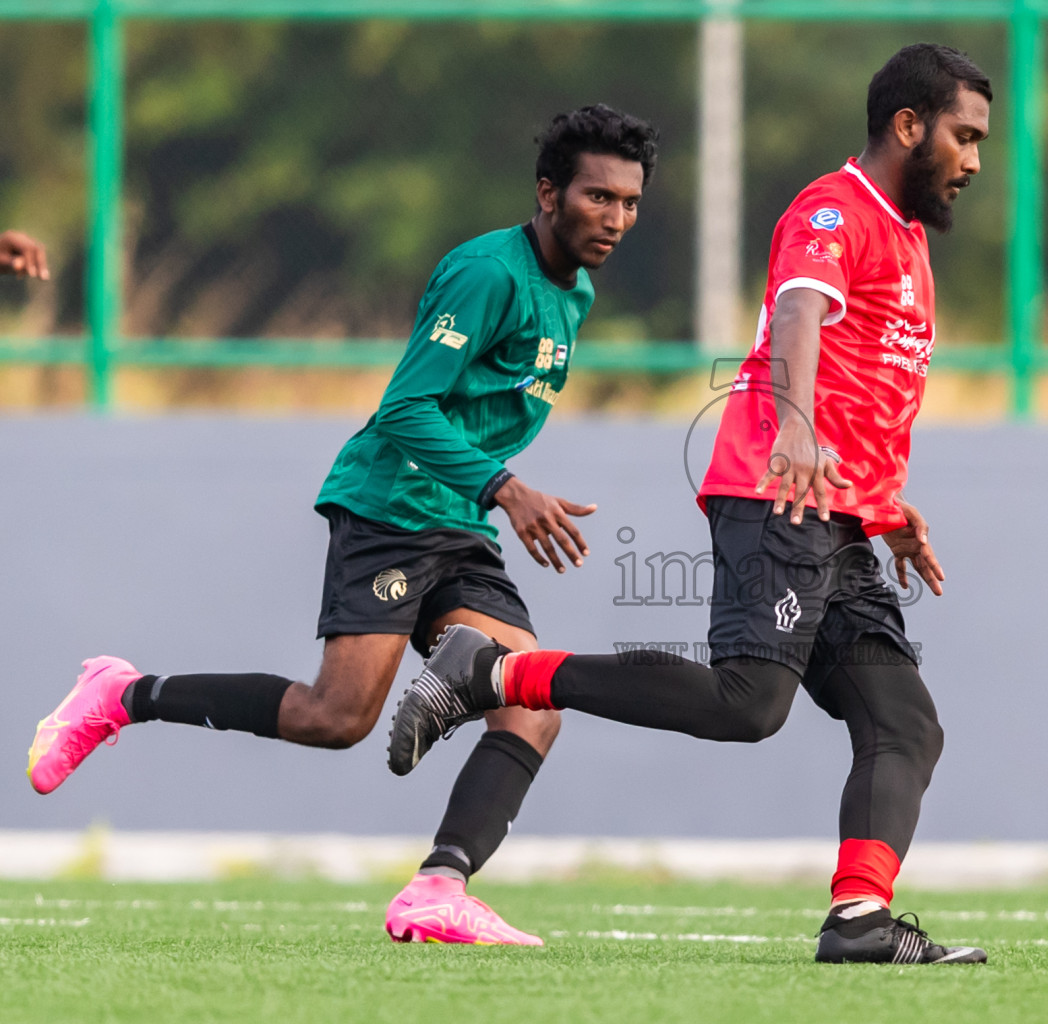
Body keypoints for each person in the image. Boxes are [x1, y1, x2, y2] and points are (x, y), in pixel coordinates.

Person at [389, 44, 992, 965]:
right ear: (910, 127)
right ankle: (497, 676)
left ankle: (859, 920)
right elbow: (797, 314)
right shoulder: (836, 210)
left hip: (838, 516)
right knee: (750, 704)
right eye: (964, 135)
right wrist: (791, 421)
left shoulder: (907, 239)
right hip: (773, 492)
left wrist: (886, 504)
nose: (975, 159)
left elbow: (867, 383)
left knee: (904, 720)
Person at [25, 105, 658, 946]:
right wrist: (505, 486)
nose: (615, 218)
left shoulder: (572, 289)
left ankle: (439, 886)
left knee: (533, 702)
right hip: (394, 508)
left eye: (629, 202)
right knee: (338, 717)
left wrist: (490, 494)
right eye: (597, 197)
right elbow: (404, 408)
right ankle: (124, 695)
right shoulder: (487, 275)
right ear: (549, 193)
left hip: (461, 521)